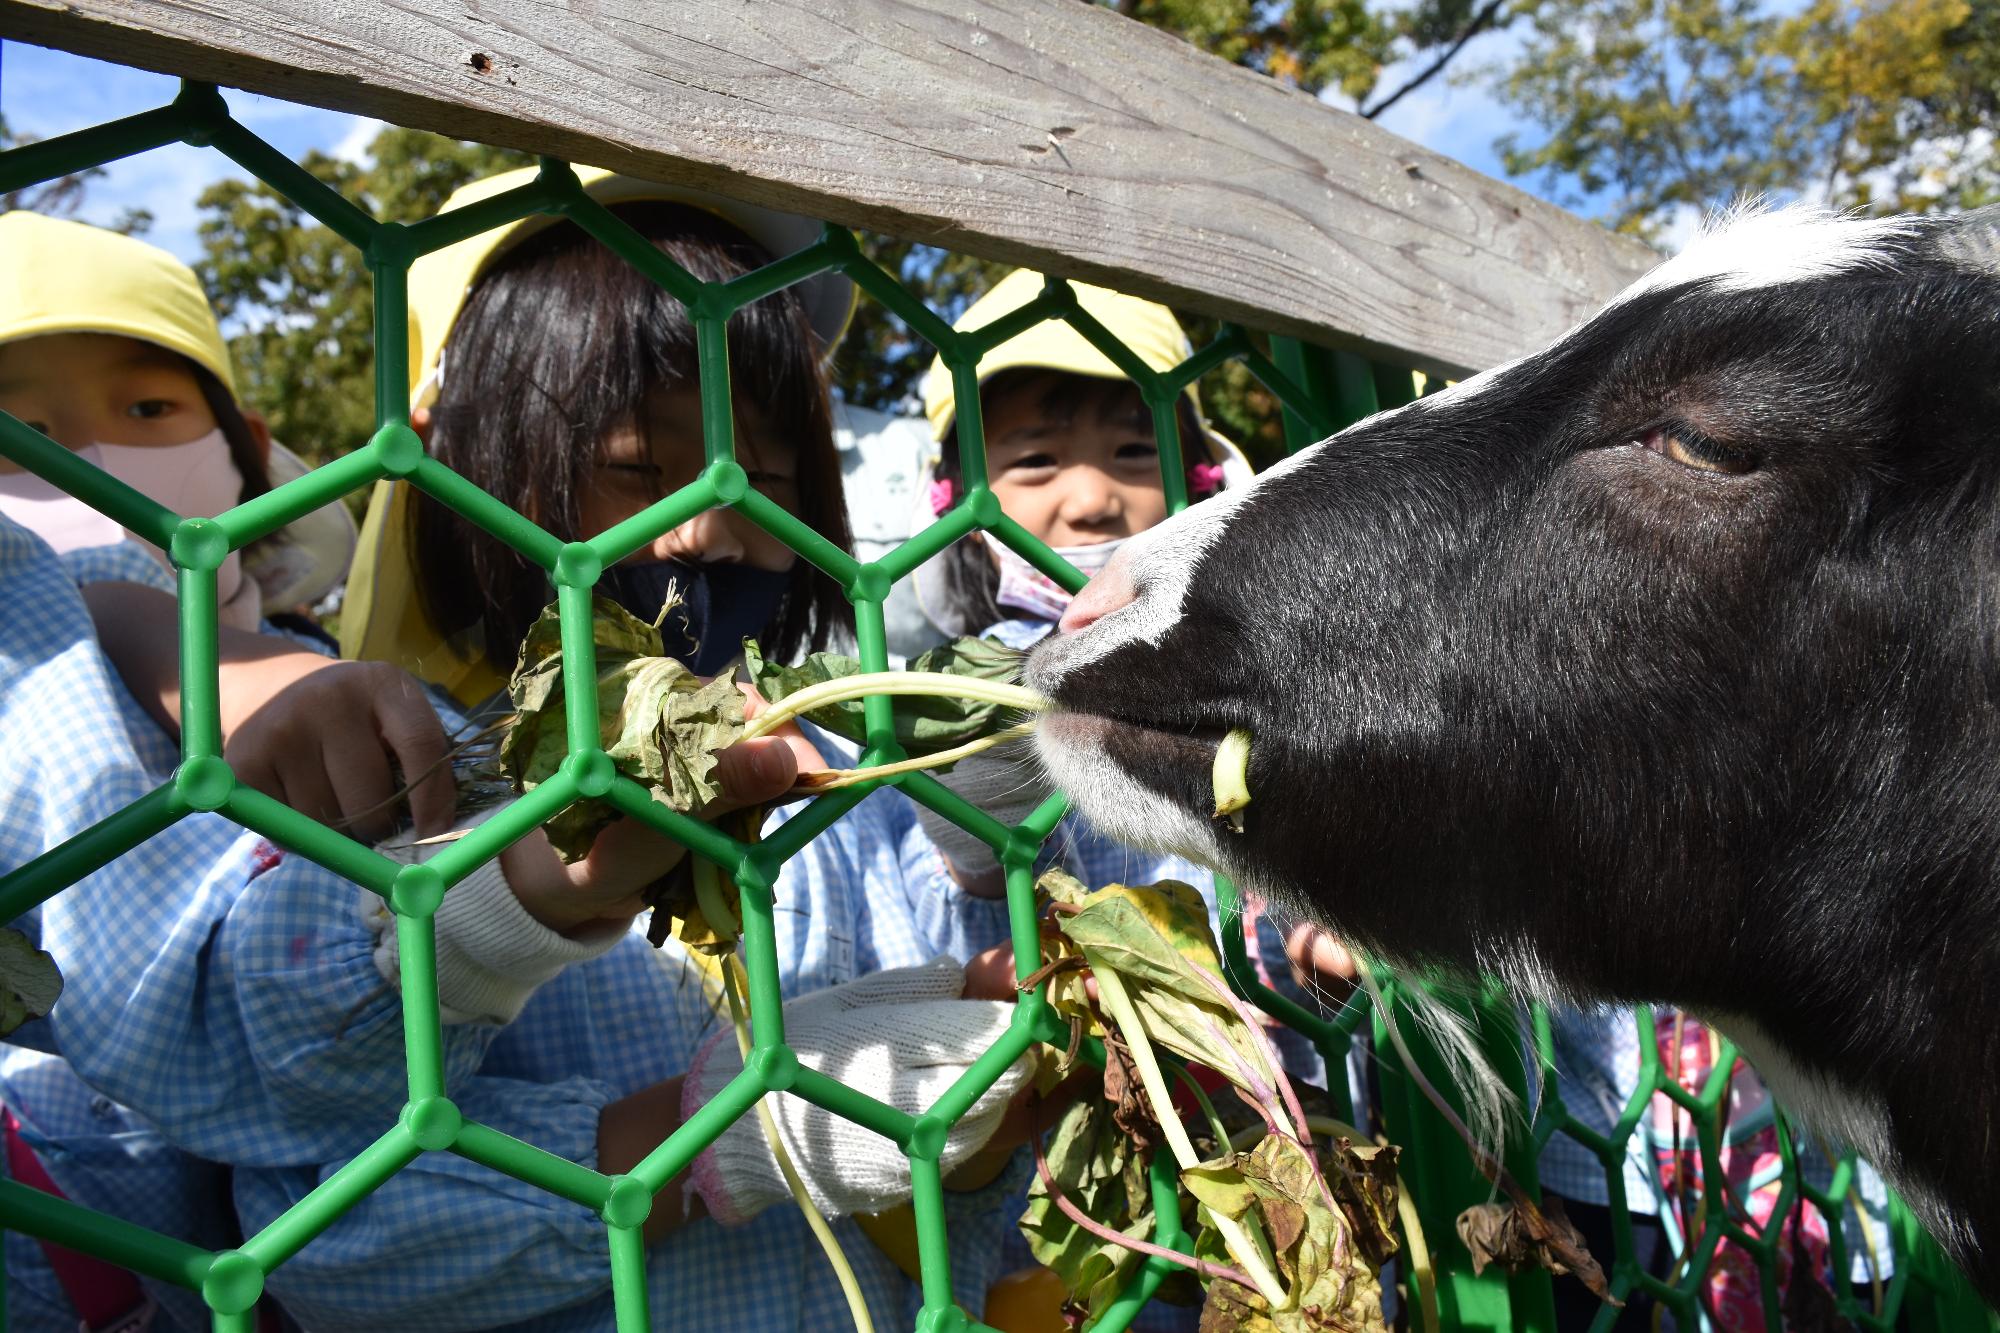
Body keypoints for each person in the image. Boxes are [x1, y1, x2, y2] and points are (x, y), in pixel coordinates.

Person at [1, 174, 1036, 1330]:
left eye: (770, 482)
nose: (704, 526)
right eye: (637, 470)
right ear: (448, 466)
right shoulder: (399, 777)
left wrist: (972, 1082)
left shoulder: (836, 792)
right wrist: (720, 1137)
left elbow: (945, 1168)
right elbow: (326, 1237)